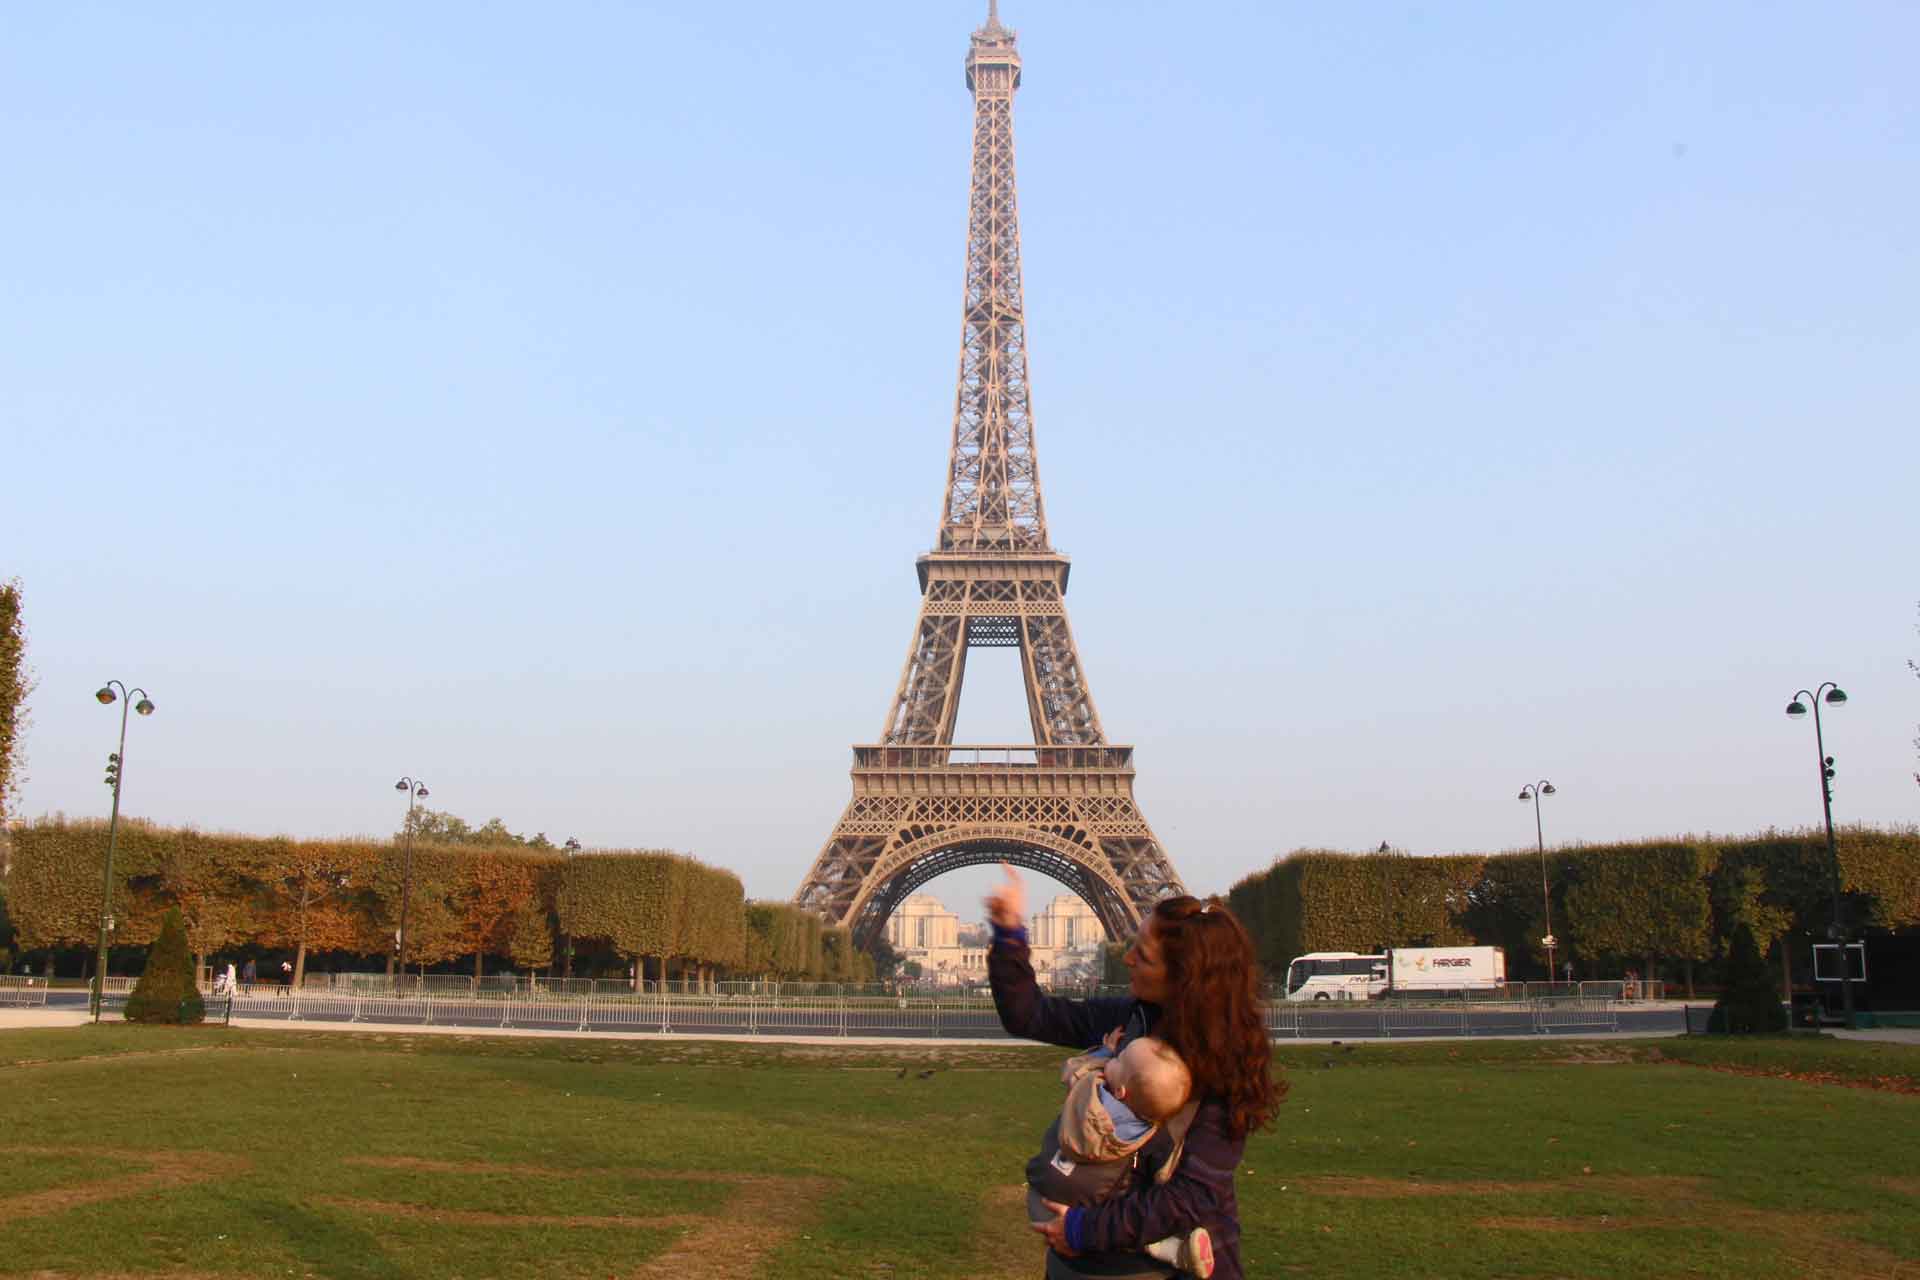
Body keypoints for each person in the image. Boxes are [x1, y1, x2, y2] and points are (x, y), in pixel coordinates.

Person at [987, 865, 1282, 1280]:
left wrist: (1083, 1228)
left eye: (1141, 955)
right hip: (1086, 1266)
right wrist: (1009, 934)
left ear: (1184, 976)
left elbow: (1193, 1196)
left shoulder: (1223, 1067)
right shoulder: (1129, 1020)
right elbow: (1028, 1015)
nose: (1126, 958)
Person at [1026, 1028, 1215, 1278]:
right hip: (1092, 1208)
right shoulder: (1152, 1135)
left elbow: (1074, 1068)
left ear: (1120, 1091)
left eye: (1118, 1060)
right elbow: (1166, 1174)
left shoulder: (1088, 1089)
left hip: (1043, 1195)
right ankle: (1172, 1249)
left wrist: (1105, 1051)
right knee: (1139, 1228)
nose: (1113, 1060)